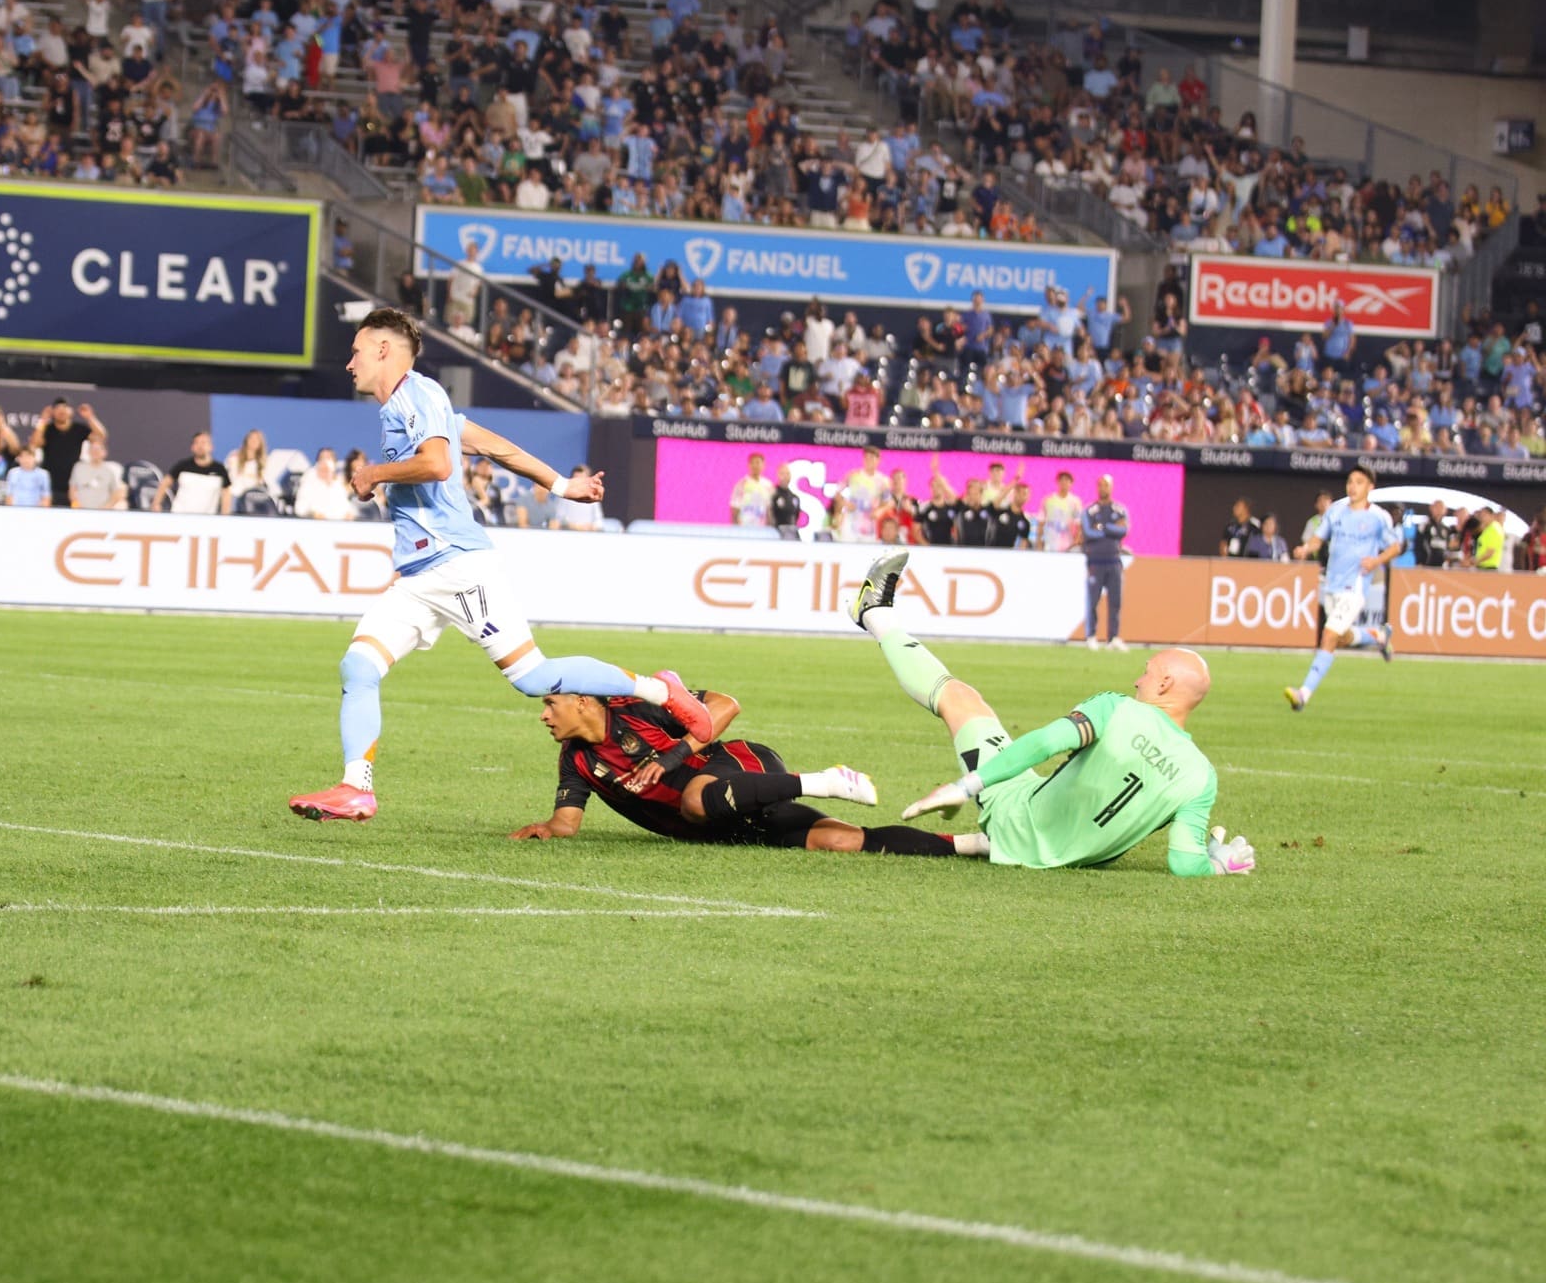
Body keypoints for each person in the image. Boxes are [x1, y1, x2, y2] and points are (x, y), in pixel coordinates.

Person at [290, 307, 714, 823]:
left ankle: (658, 689)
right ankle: (356, 788)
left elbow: (439, 464)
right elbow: (496, 448)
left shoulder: (418, 396)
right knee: (358, 666)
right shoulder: (410, 404)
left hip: (460, 568)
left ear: (383, 350)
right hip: (420, 576)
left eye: (356, 351)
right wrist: (563, 485)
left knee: (533, 677)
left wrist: (375, 473)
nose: (350, 362)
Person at [847, 551, 1255, 877]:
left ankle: (873, 611)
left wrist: (967, 785)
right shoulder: (1201, 778)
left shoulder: (1117, 709)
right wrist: (1218, 863)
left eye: (1147, 672)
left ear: (1165, 684)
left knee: (961, 698)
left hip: (1016, 818)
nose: (1137, 679)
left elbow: (1045, 742)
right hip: (1065, 857)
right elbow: (1185, 864)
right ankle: (987, 843)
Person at [509, 686, 983, 858]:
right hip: (722, 823)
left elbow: (724, 704)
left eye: (550, 703)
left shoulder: (636, 706)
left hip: (739, 767)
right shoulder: (576, 759)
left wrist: (670, 757)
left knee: (695, 797)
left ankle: (826, 781)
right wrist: (548, 830)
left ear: (582, 701)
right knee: (839, 842)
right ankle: (974, 846)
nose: (545, 715)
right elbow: (566, 823)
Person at [1285, 463, 1402, 712]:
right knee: (1341, 637)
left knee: (1328, 635)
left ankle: (1303, 694)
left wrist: (1376, 561)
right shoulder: (1336, 511)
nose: (1353, 486)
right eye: (1350, 481)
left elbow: (1395, 547)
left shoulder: (1378, 517)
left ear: (1370, 487)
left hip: (1355, 586)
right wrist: (1306, 548)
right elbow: (1319, 537)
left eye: (1359, 482)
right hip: (1332, 585)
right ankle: (1378, 636)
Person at [1081, 474, 1130, 650]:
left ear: (1111, 487)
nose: (1103, 488)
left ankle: (1113, 637)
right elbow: (1088, 532)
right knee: (1093, 600)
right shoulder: (1089, 510)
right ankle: (1091, 635)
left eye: (1106, 485)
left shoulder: (1120, 509)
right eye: (1100, 485)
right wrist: (1111, 529)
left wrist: (1103, 527)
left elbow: (1123, 530)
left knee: (1115, 600)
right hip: (1095, 560)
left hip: (1114, 560)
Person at [31, 399, 107, 507]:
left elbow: (101, 437)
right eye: (57, 408)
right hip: (51, 483)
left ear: (71, 411)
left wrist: (90, 418)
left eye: (65, 408)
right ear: (53, 412)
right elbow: (34, 443)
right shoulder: (47, 429)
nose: (61, 411)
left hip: (73, 484)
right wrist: (42, 420)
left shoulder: (79, 429)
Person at [156, 431, 232, 513]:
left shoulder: (220, 470)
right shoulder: (183, 466)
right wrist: (156, 503)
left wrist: (225, 514)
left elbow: (226, 493)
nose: (200, 446)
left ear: (211, 447)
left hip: (207, 520)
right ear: (192, 447)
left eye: (204, 442)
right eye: (197, 443)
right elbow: (166, 482)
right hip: (179, 516)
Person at [70, 435, 128, 509]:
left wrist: (105, 508)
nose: (95, 452)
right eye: (92, 449)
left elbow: (118, 492)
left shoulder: (112, 469)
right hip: (81, 510)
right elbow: (72, 489)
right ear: (88, 451)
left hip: (103, 511)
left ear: (104, 452)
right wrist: (76, 506)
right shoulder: (78, 467)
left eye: (98, 449)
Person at [295, 448, 354, 520]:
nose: (325, 462)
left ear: (335, 463)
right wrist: (312, 514)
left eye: (329, 458)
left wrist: (349, 514)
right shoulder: (308, 481)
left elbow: (347, 509)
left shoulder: (339, 484)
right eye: (322, 459)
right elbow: (300, 509)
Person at [1040, 471, 1082, 553]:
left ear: (1071, 483)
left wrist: (1076, 541)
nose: (1064, 483)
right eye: (1062, 480)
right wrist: (1039, 540)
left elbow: (1078, 524)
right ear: (1057, 482)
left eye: (1067, 480)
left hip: (1068, 543)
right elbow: (1041, 522)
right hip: (1050, 542)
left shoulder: (1075, 502)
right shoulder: (1048, 500)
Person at [730, 452, 773, 526]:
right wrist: (735, 526)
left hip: (762, 527)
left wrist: (770, 525)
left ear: (763, 465)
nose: (755, 465)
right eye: (752, 463)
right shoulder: (741, 484)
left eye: (758, 463)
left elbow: (770, 508)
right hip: (744, 525)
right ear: (748, 465)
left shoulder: (768, 485)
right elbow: (734, 507)